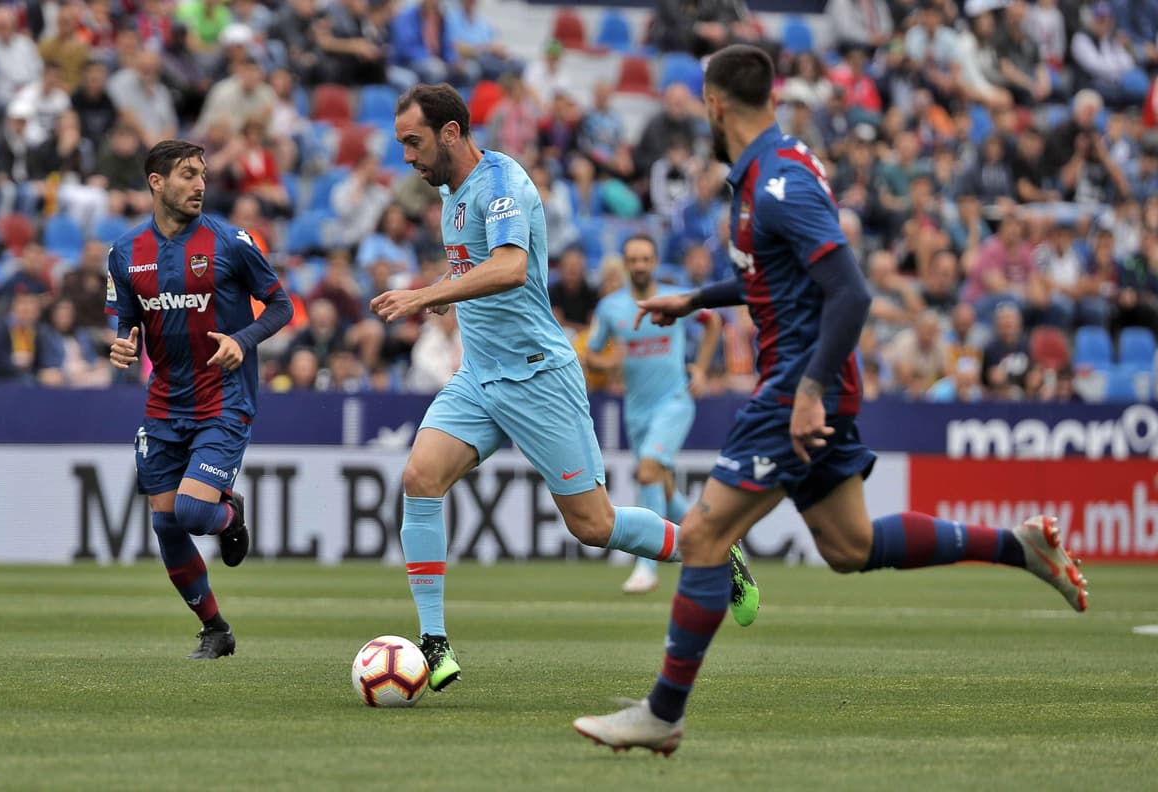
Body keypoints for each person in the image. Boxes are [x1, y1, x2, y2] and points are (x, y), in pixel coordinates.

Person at [572, 44, 1088, 756]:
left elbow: (851, 290)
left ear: (717, 105)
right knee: (851, 545)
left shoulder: (780, 182)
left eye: (702, 102)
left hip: (794, 388)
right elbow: (774, 280)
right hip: (807, 383)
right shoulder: (766, 175)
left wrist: (808, 393)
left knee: (700, 538)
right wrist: (696, 299)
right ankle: (1018, 547)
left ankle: (663, 714)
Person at [370, 84, 718, 694]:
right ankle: (434, 640)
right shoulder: (452, 196)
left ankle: (712, 547)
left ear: (450, 133)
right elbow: (471, 270)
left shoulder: (502, 183)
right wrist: (433, 286)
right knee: (419, 478)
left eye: (414, 141)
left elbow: (507, 266)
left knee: (593, 524)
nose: (407, 156)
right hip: (479, 376)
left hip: (537, 375)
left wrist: (425, 296)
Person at [105, 139, 294, 660]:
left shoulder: (231, 242)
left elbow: (281, 306)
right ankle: (216, 629)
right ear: (156, 182)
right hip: (164, 402)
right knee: (165, 522)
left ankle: (228, 515)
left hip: (223, 400)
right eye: (188, 174)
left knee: (191, 511)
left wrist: (242, 340)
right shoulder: (125, 253)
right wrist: (124, 342)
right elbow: (128, 319)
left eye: (203, 174)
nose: (200, 184)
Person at [585, 233, 758, 613]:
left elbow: (714, 323)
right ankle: (718, 539)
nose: (640, 265)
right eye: (633, 259)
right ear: (626, 264)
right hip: (637, 409)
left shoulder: (674, 296)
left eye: (646, 258)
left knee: (648, 472)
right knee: (660, 485)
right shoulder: (611, 309)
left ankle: (646, 566)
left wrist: (700, 365)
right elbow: (592, 355)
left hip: (675, 401)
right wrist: (610, 364)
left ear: (655, 261)